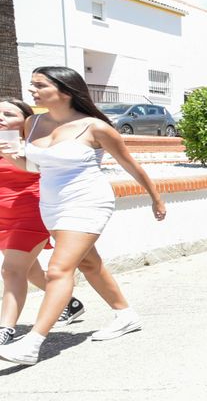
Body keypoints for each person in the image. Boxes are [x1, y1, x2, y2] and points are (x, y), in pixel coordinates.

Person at [0, 67, 164, 365]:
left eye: (39, 85)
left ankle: (32, 343)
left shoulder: (95, 128)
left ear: (64, 90)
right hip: (52, 205)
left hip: (88, 202)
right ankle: (125, 315)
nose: (32, 90)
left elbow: (130, 165)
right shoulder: (33, 123)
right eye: (32, 84)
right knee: (89, 262)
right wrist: (12, 155)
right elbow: (35, 167)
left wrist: (155, 197)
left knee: (58, 270)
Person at [0, 98, 81, 346]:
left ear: (25, 120)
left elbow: (46, 171)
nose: (0, 118)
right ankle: (69, 302)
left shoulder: (36, 144)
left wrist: (16, 154)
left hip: (30, 211)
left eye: (7, 113)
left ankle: (5, 329)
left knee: (11, 270)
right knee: (29, 270)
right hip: (3, 216)